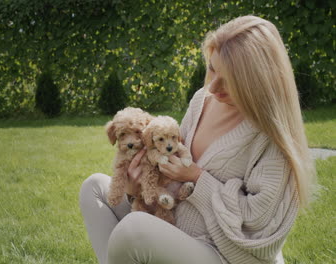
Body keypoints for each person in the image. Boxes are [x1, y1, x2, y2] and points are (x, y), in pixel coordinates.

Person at [79, 15, 315, 264]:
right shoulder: (202, 100)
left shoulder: (271, 137)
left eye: (230, 80)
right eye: (212, 68)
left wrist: (197, 179)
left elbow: (256, 224)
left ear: (257, 81)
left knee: (133, 231)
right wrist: (133, 188)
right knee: (93, 187)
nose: (213, 87)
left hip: (225, 253)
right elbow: (169, 164)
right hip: (174, 222)